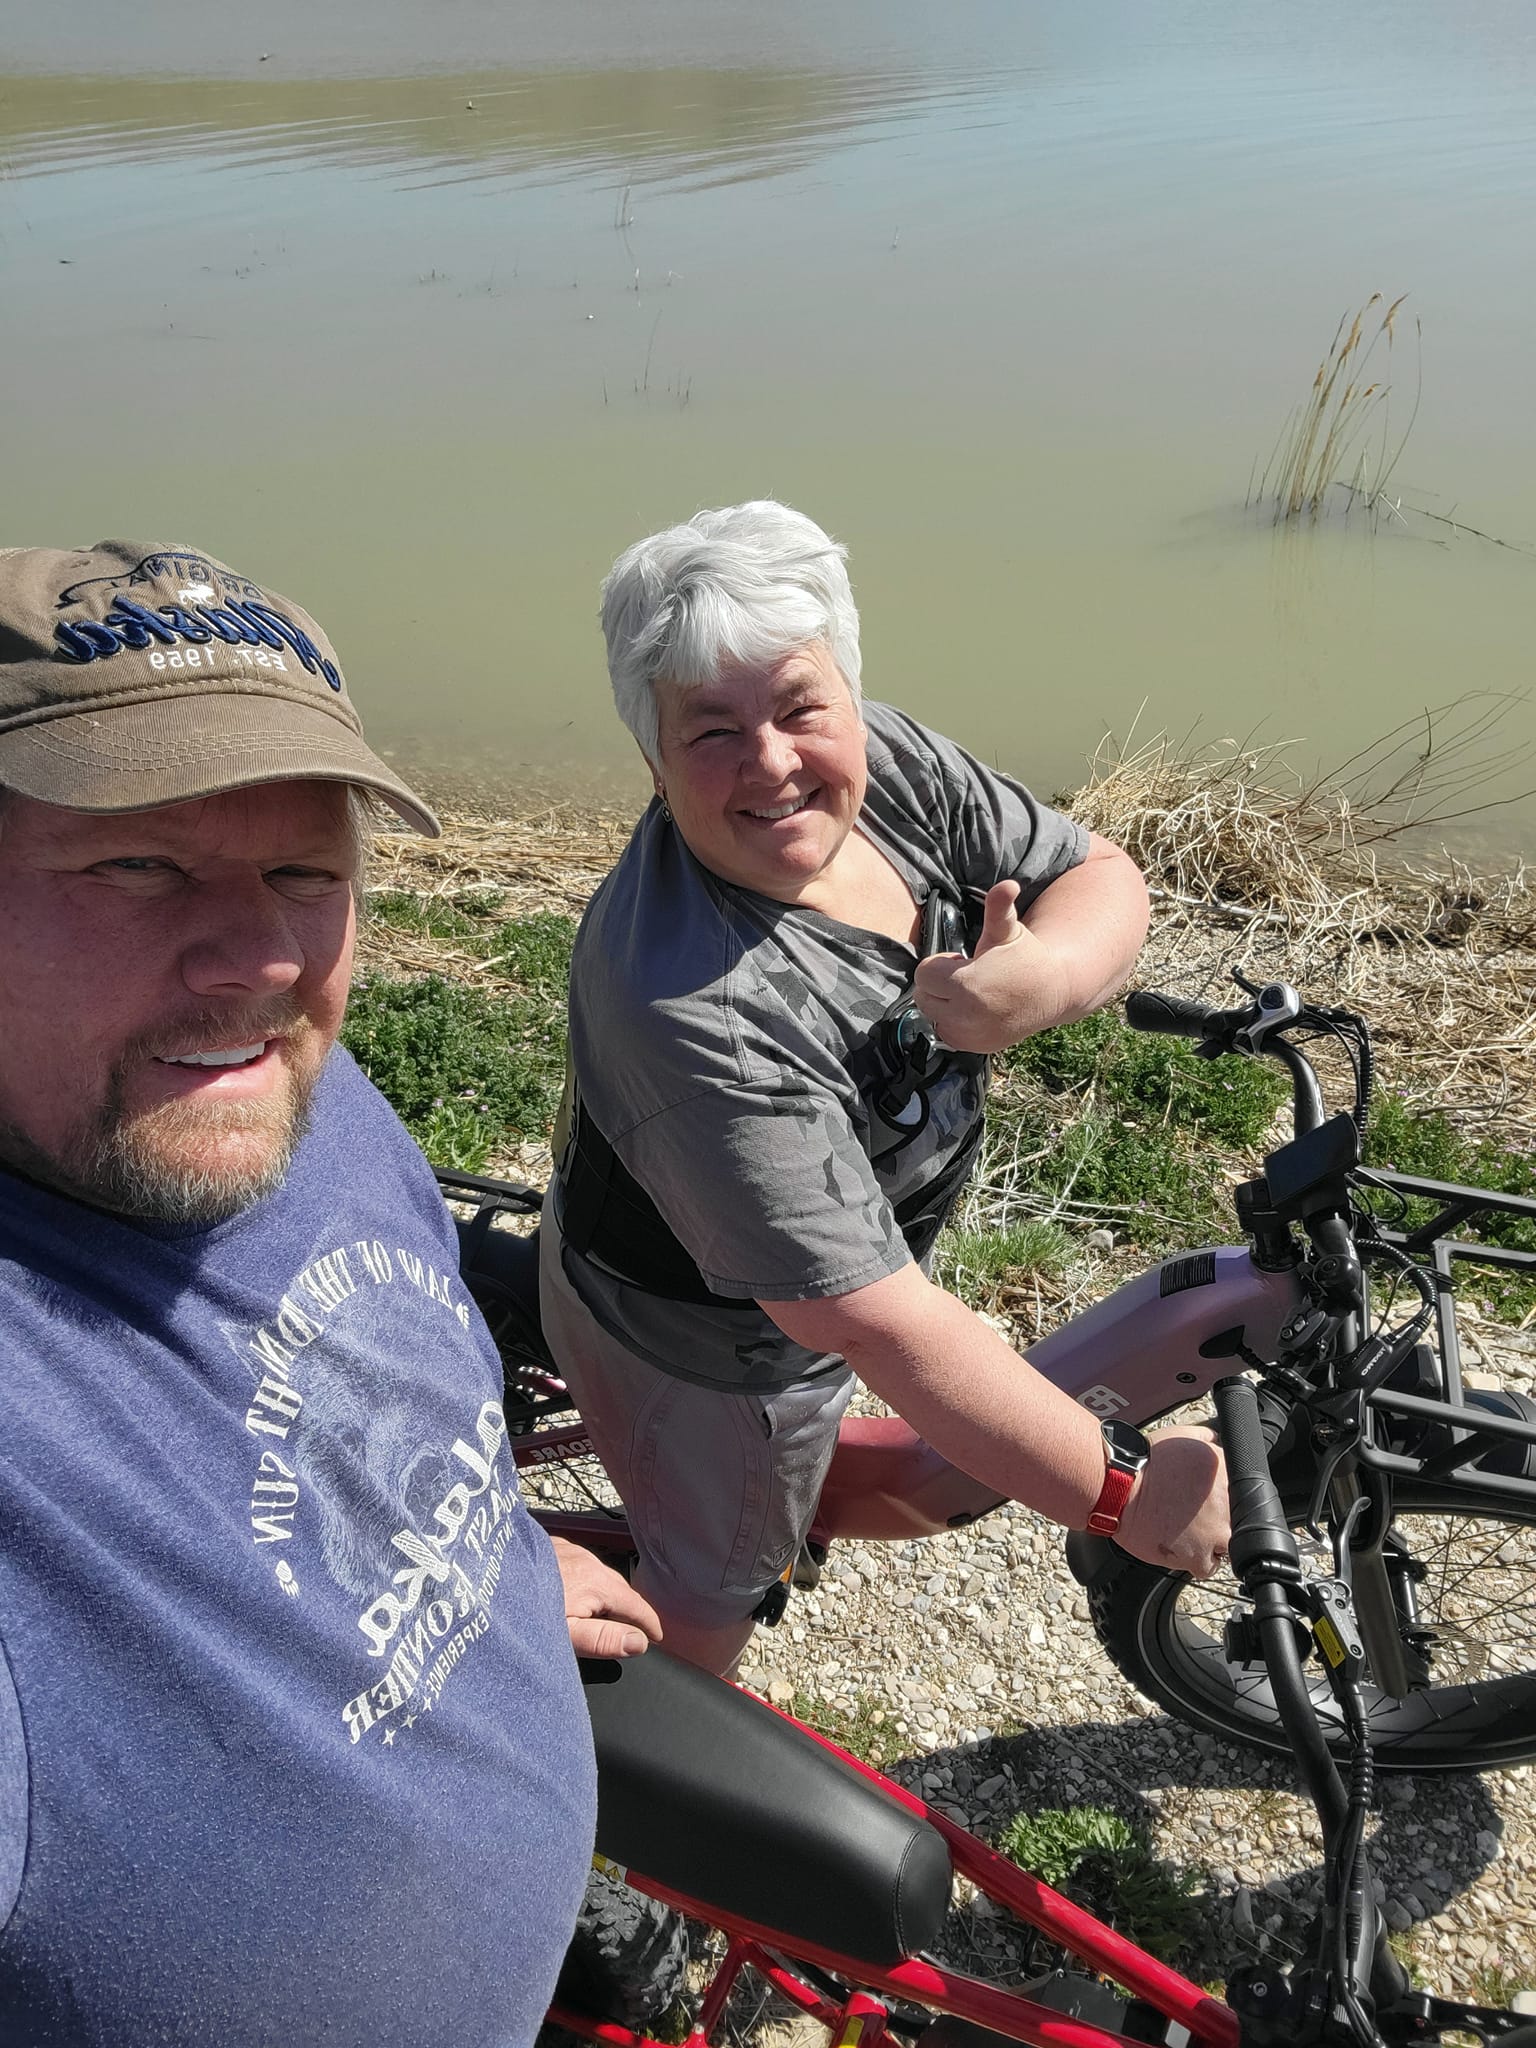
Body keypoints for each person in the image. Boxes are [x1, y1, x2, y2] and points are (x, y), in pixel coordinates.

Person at [0, 540, 656, 2047]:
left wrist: (471, 1548)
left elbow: (350, 1367)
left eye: (308, 870)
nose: (264, 959)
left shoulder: (282, 1088)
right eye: (135, 863)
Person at [541, 500, 1230, 1678]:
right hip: (721, 1358)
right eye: (710, 730)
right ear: (650, 755)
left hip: (813, 1259)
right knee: (710, 1606)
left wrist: (1045, 979)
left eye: (801, 706)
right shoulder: (693, 1006)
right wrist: (1119, 1491)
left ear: (845, 692)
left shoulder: (882, 764)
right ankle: (638, 1753)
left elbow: (1102, 872)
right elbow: (881, 1326)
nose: (772, 763)